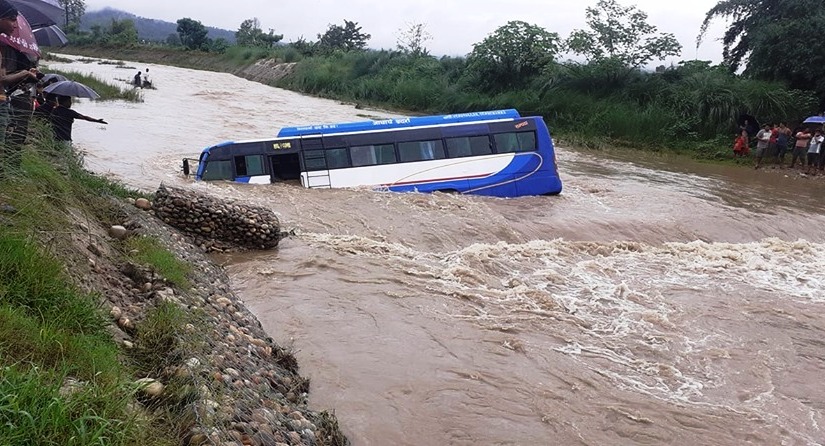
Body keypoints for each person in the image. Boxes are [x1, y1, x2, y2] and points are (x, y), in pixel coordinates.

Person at [0, 1, 38, 178]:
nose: (15, 25)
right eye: (12, 20)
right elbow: (1, 79)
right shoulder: (4, 48)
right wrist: (23, 73)